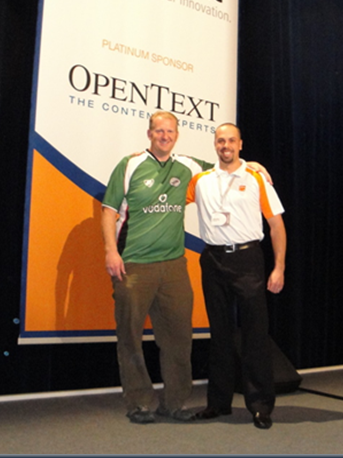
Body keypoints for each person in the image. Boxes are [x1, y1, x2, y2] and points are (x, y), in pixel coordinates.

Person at [101, 111, 270, 424]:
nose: (165, 136)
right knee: (130, 337)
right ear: (149, 133)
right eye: (159, 131)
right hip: (134, 265)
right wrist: (112, 251)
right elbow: (109, 210)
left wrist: (253, 165)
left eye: (170, 131)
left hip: (174, 266)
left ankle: (174, 403)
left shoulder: (189, 167)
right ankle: (140, 403)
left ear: (177, 135)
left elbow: (227, 166)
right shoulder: (129, 165)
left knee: (179, 338)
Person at [186, 123, 286, 430]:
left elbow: (276, 226)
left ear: (240, 144)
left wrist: (279, 267)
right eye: (220, 140)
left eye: (231, 140)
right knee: (219, 334)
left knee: (255, 334)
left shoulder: (256, 177)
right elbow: (173, 188)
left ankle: (260, 405)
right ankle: (218, 403)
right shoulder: (200, 180)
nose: (225, 145)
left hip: (247, 259)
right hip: (213, 259)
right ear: (215, 144)